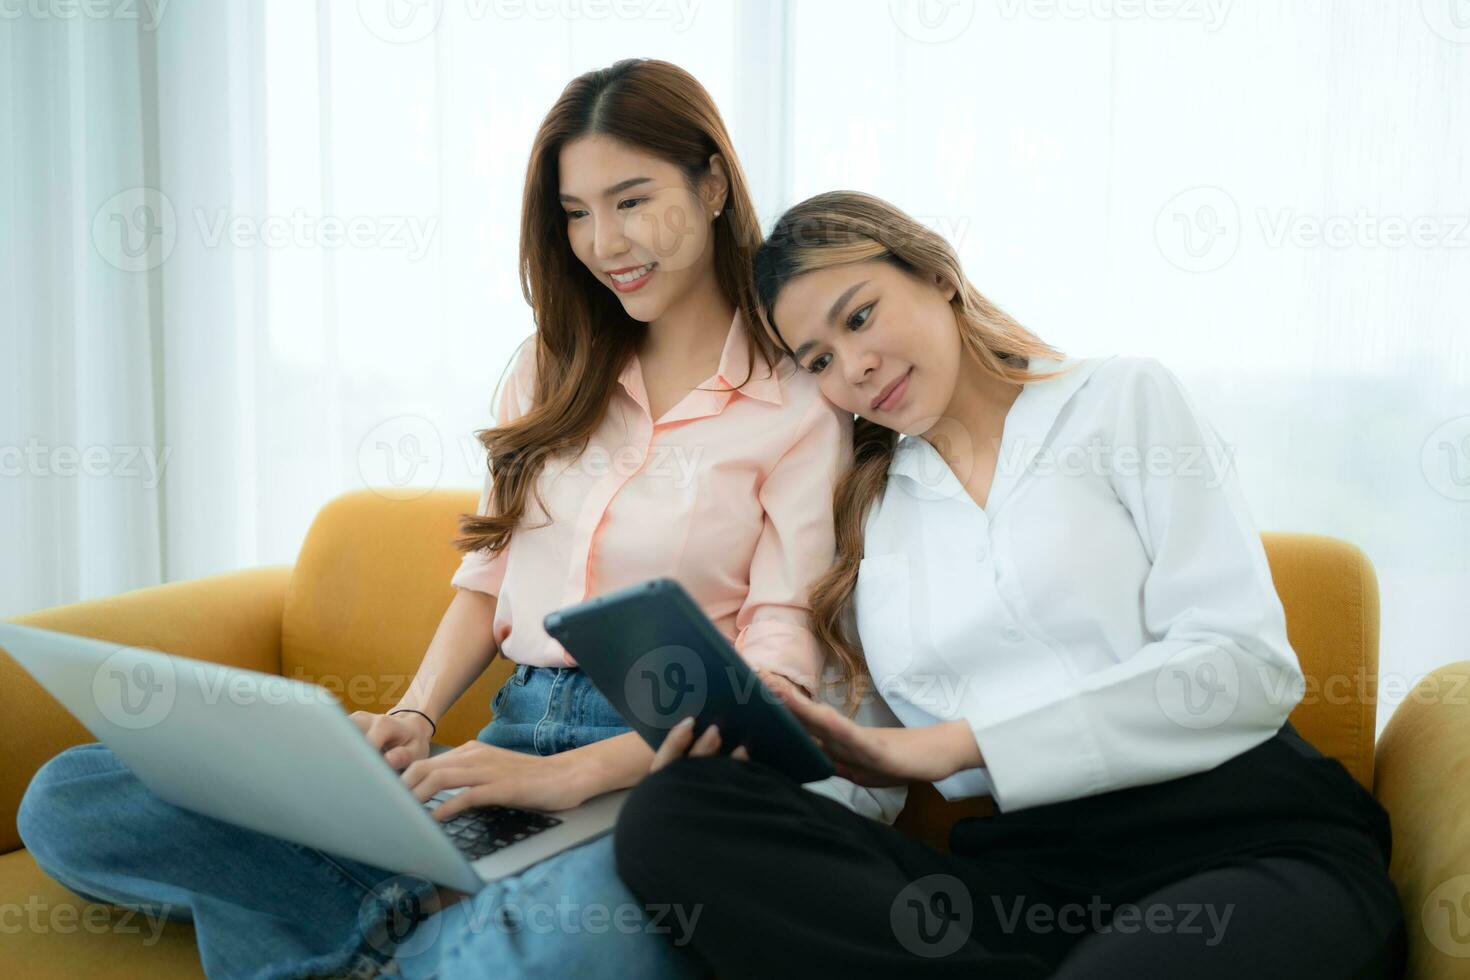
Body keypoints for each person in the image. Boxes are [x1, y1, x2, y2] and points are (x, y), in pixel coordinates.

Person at [16, 62, 904, 980]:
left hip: (649, 772)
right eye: (576, 212)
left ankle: (404, 921)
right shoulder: (551, 362)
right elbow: (490, 574)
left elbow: (774, 660)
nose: (604, 242)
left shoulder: (800, 403)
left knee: (603, 917)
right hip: (502, 743)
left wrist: (567, 777)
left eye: (632, 200)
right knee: (74, 795)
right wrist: (412, 712)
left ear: (712, 183)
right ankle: (423, 908)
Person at [613, 190, 1408, 979]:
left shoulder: (1118, 401)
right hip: (1031, 886)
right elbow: (869, 774)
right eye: (817, 361)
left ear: (936, 274)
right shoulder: (864, 515)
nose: (854, 368)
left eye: (860, 317)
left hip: (1237, 838)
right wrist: (754, 773)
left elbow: (1245, 670)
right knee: (674, 815)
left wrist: (960, 744)